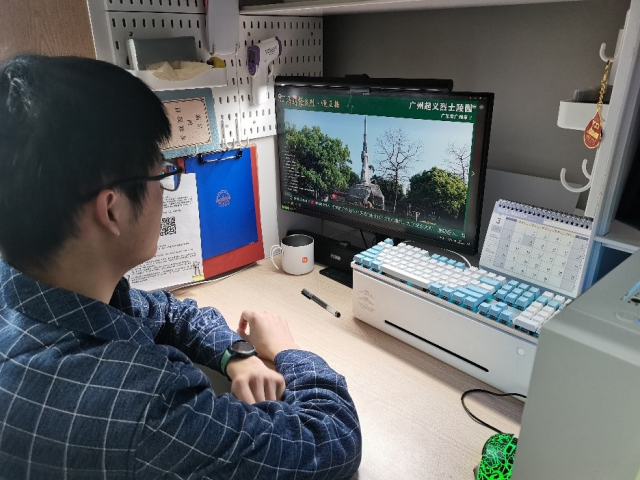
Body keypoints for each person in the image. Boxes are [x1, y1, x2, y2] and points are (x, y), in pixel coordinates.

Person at [0, 54, 362, 479]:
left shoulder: (36, 290)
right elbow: (331, 439)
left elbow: (167, 312)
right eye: (161, 175)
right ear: (111, 210)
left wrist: (237, 353)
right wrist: (287, 351)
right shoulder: (143, 408)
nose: (166, 190)